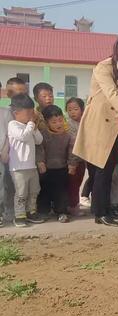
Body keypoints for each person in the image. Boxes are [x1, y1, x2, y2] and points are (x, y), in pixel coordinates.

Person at [73, 32, 118, 227]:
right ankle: (100, 212)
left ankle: (105, 207)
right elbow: (112, 94)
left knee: (110, 169)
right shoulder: (103, 67)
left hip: (117, 127)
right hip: (99, 126)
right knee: (100, 170)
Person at [7, 94, 44, 227]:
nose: (31, 115)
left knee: (34, 190)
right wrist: (31, 124)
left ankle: (31, 211)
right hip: (18, 168)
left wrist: (34, 127)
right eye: (28, 112)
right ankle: (19, 215)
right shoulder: (13, 124)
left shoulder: (30, 126)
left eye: (32, 112)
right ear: (16, 112)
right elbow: (22, 136)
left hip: (31, 166)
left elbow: (39, 140)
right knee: (21, 193)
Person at [37, 105, 77, 223]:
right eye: (54, 122)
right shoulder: (43, 134)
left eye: (60, 120)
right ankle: (43, 211)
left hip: (62, 168)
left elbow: (72, 150)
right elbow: (40, 149)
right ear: (46, 122)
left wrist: (72, 164)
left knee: (61, 192)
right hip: (46, 169)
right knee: (44, 191)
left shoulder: (67, 134)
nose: (58, 124)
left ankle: (61, 212)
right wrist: (40, 162)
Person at [0, 77, 28, 227]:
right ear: (8, 92)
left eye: (24, 91)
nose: (22, 95)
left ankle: (14, 211)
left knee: (14, 185)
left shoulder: (27, 111)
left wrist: (5, 150)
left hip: (16, 156)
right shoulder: (7, 111)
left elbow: (7, 135)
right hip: (8, 156)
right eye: (18, 92)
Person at [65, 97, 85, 215]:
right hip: (72, 161)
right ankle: (72, 206)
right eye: (69, 109)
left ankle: (74, 204)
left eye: (75, 109)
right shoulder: (68, 125)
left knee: (77, 183)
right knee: (72, 183)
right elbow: (72, 145)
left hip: (82, 159)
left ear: (82, 110)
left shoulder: (84, 122)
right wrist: (72, 163)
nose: (72, 112)